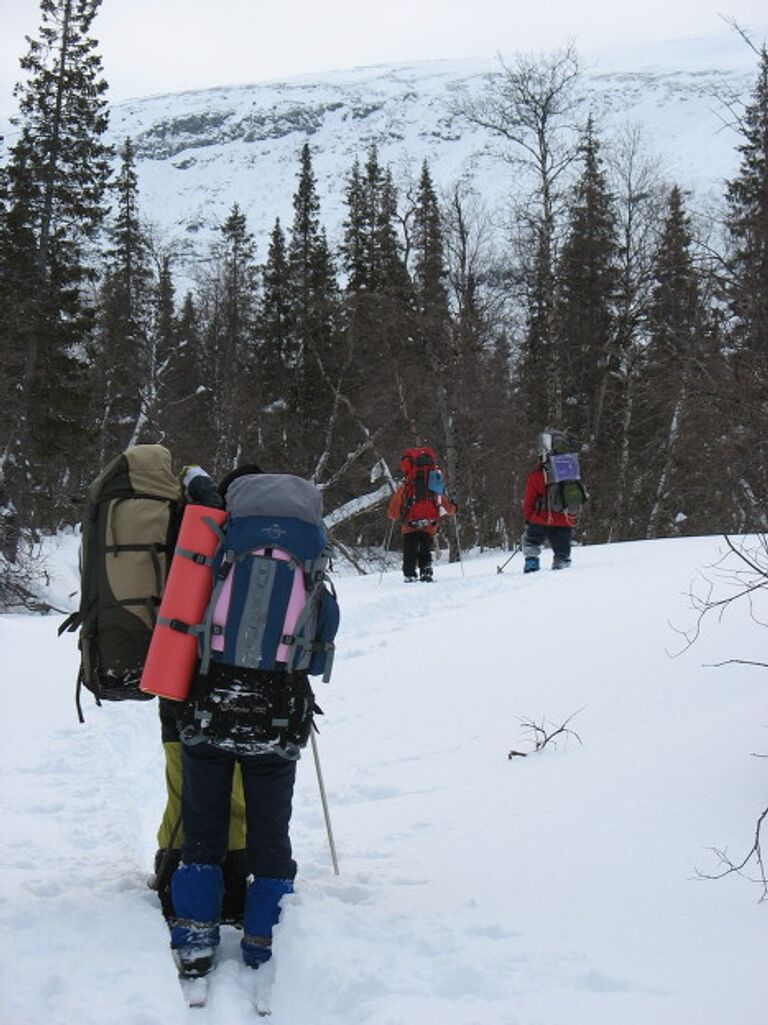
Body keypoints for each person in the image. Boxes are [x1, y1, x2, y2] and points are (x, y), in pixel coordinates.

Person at [169, 464, 326, 979]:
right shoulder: (308, 560)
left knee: (203, 829)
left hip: (211, 706)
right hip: (278, 716)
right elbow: (322, 644)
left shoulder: (220, 548)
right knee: (270, 833)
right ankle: (262, 938)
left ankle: (195, 936)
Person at [151, 465, 248, 925]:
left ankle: (173, 870)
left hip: (176, 678)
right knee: (237, 788)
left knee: (183, 783)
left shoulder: (189, 525)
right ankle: (235, 879)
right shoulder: (260, 543)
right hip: (241, 689)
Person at [387, 467, 457, 583]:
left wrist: (393, 515)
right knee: (425, 549)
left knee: (409, 550)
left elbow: (394, 508)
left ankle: (409, 574)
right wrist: (454, 508)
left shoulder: (406, 485)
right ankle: (426, 571)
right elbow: (445, 505)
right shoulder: (433, 486)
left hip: (409, 525)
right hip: (428, 525)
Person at [521, 442, 577, 573]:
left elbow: (529, 501)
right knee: (562, 546)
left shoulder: (536, 475)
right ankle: (561, 563)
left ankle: (531, 562)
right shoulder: (570, 473)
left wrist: (529, 518)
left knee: (530, 541)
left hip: (540, 519)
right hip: (564, 520)